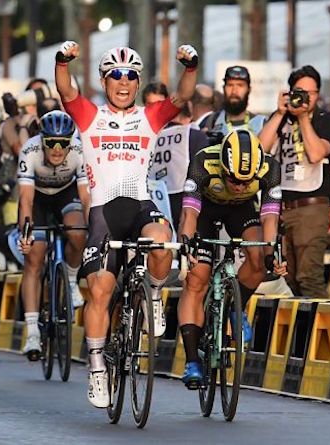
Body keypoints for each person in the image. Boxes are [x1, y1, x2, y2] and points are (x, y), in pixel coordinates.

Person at [55, 40, 198, 408]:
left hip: (139, 204)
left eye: (131, 76)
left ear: (137, 83)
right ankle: (99, 367)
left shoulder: (149, 116)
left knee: (162, 242)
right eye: (115, 75)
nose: (123, 82)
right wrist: (62, 61)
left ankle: (151, 294)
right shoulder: (90, 116)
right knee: (100, 290)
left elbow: (182, 97)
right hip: (104, 212)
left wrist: (191, 66)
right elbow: (66, 89)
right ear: (104, 82)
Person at [178, 129, 286, 387]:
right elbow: (189, 214)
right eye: (233, 179)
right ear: (223, 167)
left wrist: (272, 253)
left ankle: (236, 307)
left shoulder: (270, 167)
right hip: (205, 209)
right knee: (197, 279)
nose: (239, 186)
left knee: (259, 259)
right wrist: (187, 246)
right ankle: (192, 360)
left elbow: (269, 217)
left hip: (241, 210)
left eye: (245, 182)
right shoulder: (203, 161)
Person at [17, 110, 89, 360]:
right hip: (36, 198)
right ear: (42, 141)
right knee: (34, 258)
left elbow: (86, 197)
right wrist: (26, 232)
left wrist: (94, 226)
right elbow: (25, 199)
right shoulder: (29, 151)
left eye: (64, 143)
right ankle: (32, 333)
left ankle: (70, 280)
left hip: (65, 195)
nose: (58, 149)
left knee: (78, 232)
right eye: (51, 143)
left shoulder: (80, 151)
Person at [259, 65, 330, 299]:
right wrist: (280, 113)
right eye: (299, 91)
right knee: (287, 279)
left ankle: (325, 332)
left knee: (308, 277)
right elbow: (259, 151)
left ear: (318, 95)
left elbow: (315, 154)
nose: (304, 98)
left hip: (312, 207)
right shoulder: (280, 117)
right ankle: (298, 334)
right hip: (282, 208)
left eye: (310, 93)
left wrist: (302, 117)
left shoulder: (325, 119)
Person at [147, 87, 209, 231]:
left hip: (154, 200)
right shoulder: (194, 135)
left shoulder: (152, 137)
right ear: (189, 116)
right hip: (184, 199)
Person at [199, 66, 266, 137]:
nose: (234, 91)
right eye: (230, 85)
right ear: (224, 89)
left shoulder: (261, 124)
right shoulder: (210, 122)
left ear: (249, 89)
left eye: (240, 85)